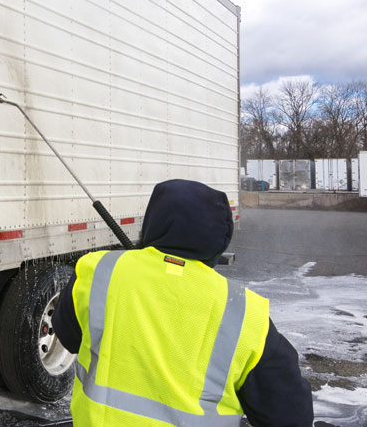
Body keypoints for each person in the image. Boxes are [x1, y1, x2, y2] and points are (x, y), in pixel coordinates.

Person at [52, 179, 313, 426]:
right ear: (220, 238)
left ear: (153, 222)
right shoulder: (244, 314)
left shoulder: (100, 271)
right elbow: (290, 415)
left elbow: (69, 336)